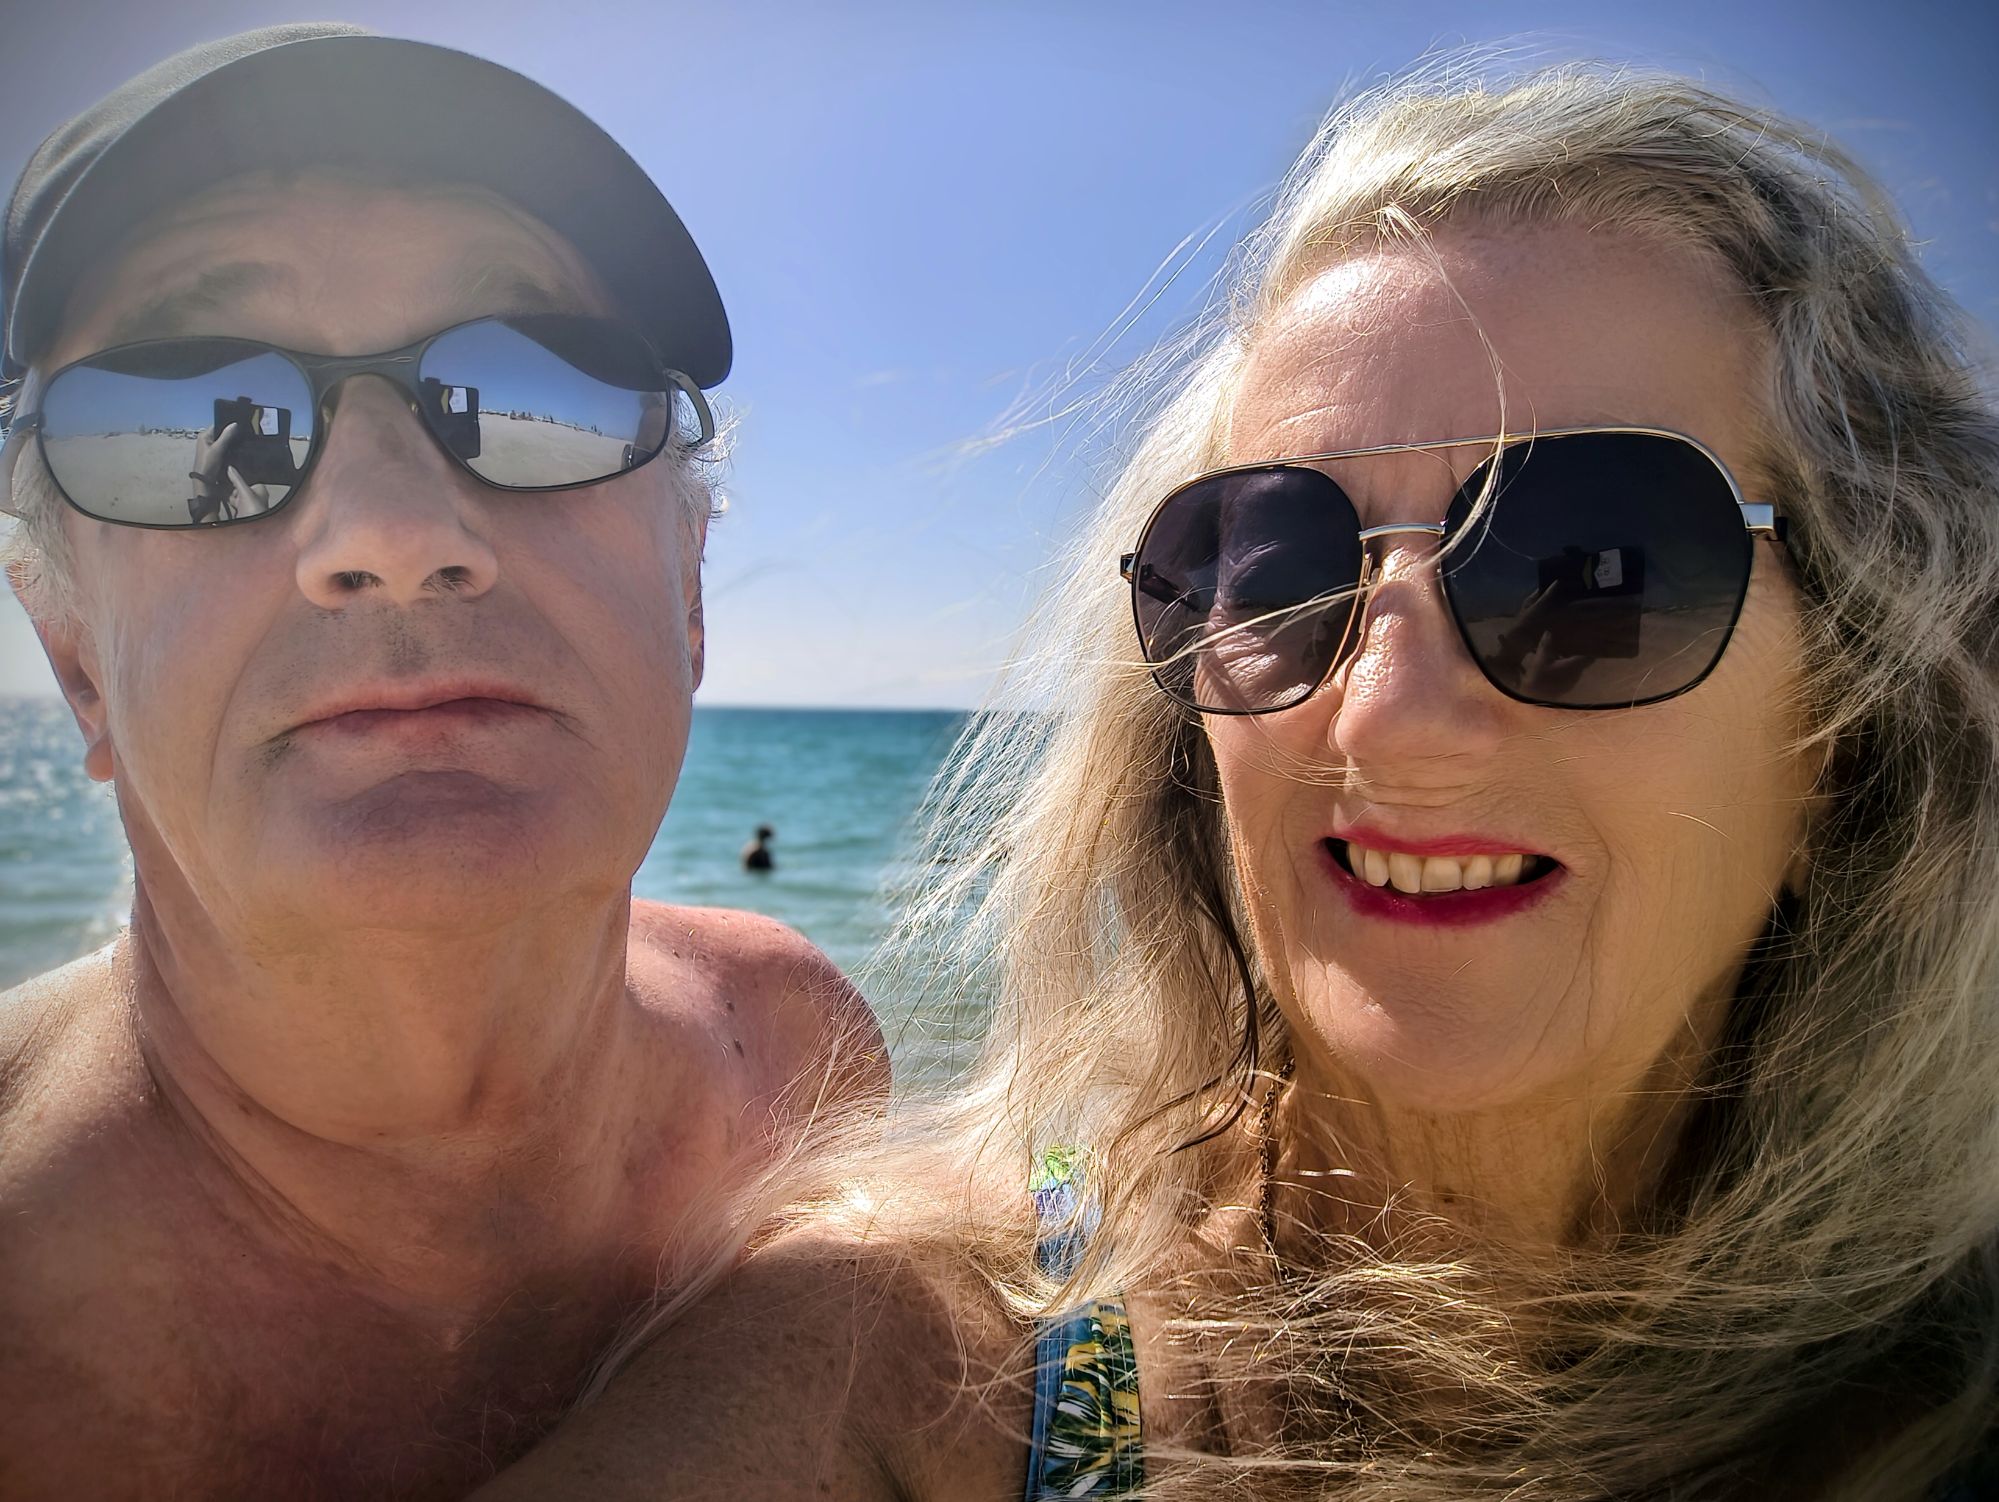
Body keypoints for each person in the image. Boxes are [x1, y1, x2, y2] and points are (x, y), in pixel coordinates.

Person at [478, 59, 1999, 1501]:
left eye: (1590, 563)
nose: (1387, 715)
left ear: (1847, 715)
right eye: (1276, 571)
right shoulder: (928, 1363)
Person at [0, 25, 884, 1499]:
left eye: (532, 393)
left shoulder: (796, 1057)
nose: (393, 533)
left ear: (687, 594)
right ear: (74, 652)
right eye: (201, 419)